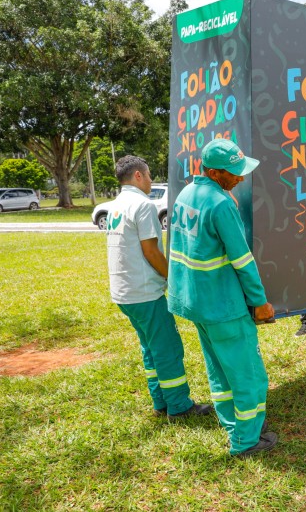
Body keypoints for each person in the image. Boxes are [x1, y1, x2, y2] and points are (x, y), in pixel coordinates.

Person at [167, 138, 278, 458]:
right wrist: (259, 302)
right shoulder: (220, 203)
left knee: (219, 369)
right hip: (224, 305)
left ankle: (233, 426)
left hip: (196, 302)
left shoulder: (187, 193)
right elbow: (242, 260)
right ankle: (246, 441)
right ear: (214, 173)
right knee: (249, 375)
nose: (240, 178)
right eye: (234, 173)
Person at [106, 155, 213, 420]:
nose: (152, 180)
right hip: (145, 293)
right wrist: (172, 279)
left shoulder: (115, 205)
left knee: (150, 348)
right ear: (139, 176)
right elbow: (151, 251)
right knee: (167, 349)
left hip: (123, 293)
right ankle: (179, 406)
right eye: (150, 174)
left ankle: (160, 402)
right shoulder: (143, 205)